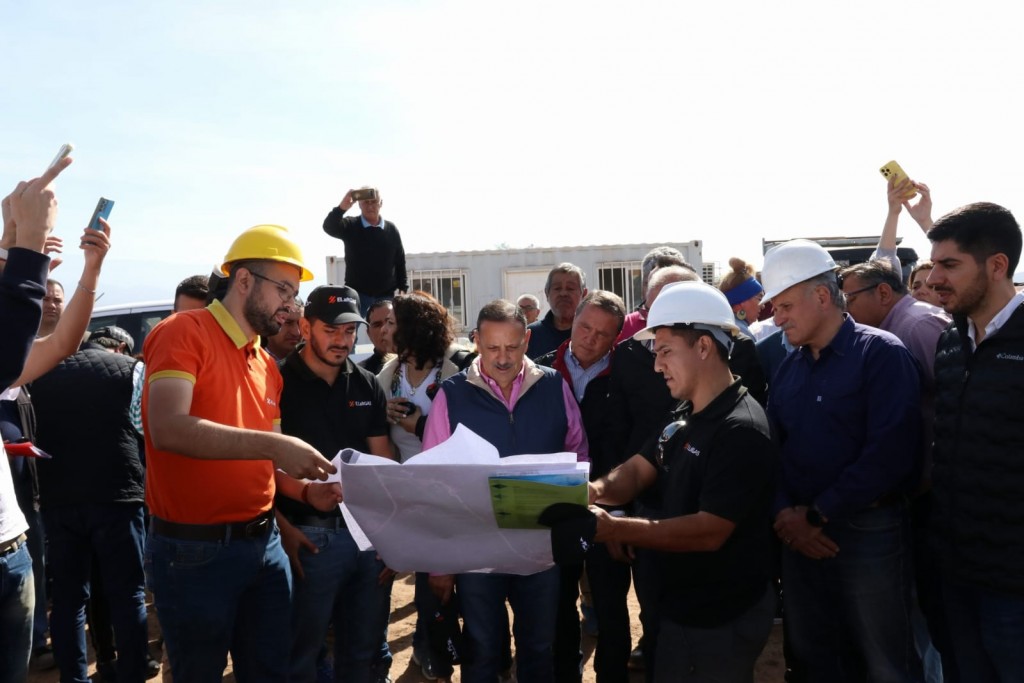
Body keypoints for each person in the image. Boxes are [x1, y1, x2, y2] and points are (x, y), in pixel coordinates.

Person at [142, 223, 335, 681]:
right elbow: (167, 427)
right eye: (283, 289)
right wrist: (275, 444)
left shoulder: (266, 363)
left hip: (265, 546)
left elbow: (269, 462)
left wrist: (307, 493)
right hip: (194, 552)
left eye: (294, 294)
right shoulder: (183, 331)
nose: (290, 305)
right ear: (244, 279)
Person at [582, 281, 777, 683]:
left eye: (665, 351)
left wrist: (614, 528)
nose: (657, 366)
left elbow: (709, 531)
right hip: (680, 605)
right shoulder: (686, 411)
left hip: (719, 616)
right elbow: (639, 468)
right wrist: (593, 491)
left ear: (703, 346)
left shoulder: (740, 428)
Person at [762, 239, 923, 682]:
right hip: (798, 535)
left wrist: (817, 514)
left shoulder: (882, 354)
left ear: (821, 295)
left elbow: (889, 454)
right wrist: (786, 515)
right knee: (813, 657)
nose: (778, 318)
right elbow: (773, 448)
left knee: (885, 662)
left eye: (785, 306)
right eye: (775, 308)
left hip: (868, 533)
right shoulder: (789, 367)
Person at [422, 299, 588, 683]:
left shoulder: (554, 386)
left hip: (540, 549)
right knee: (481, 650)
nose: (502, 358)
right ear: (476, 341)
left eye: (512, 347)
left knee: (539, 648)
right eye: (493, 347)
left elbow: (578, 453)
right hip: (477, 550)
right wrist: (441, 564)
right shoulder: (451, 395)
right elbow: (434, 480)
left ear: (527, 340)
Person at [275, 285, 395, 683]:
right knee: (300, 655)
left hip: (367, 539)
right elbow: (258, 465)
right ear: (305, 327)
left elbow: (383, 462)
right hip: (307, 539)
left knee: (362, 653)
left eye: (349, 331)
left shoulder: (367, 384)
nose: (342, 341)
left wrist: (389, 536)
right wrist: (282, 527)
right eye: (331, 330)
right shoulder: (275, 382)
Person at [926, 202, 1024, 682]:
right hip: (955, 573)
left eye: (949, 265)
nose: (933, 280)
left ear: (997, 265)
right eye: (933, 265)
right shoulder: (950, 341)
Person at [30, 326, 151, 682]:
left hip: (59, 501)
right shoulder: (132, 370)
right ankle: (133, 673)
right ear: (119, 347)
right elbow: (145, 428)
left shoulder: (41, 373)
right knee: (128, 594)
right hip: (118, 498)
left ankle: (74, 678)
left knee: (68, 600)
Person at [376, 291, 475, 679]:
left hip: (454, 492)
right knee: (426, 579)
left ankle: (481, 654)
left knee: (462, 581)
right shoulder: (387, 374)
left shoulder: (459, 367)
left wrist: (418, 424)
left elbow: (471, 431)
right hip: (408, 493)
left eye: (392, 323)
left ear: (413, 328)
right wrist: (383, 414)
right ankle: (432, 649)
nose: (384, 330)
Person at [0, 156, 70, 683]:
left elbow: (59, 343)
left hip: (12, 548)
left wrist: (14, 249)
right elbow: (6, 354)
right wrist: (25, 250)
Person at [536, 291, 626, 683]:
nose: (590, 338)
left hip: (610, 507)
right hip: (555, 507)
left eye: (602, 334)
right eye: (585, 326)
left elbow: (633, 444)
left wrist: (619, 509)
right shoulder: (539, 371)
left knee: (610, 604)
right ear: (573, 320)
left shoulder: (630, 375)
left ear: (616, 338)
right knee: (558, 603)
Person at [322, 187, 408, 316]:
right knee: (351, 327)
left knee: (386, 328)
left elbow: (399, 260)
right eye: (366, 202)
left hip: (385, 296)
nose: (370, 206)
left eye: (374, 201)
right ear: (359, 204)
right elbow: (329, 227)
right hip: (356, 295)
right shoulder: (351, 225)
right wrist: (342, 208)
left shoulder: (391, 229)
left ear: (381, 203)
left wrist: (403, 288)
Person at [616, 247, 692, 344]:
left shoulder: (699, 323)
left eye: (665, 285)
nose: (653, 291)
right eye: (648, 284)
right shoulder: (625, 326)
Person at [527, 263, 588, 359]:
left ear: (583, 294)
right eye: (557, 288)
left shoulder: (592, 335)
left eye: (570, 288)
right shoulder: (530, 335)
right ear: (547, 293)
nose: (563, 293)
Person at [718, 257, 765, 338]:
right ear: (741, 301)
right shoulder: (740, 333)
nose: (763, 305)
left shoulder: (720, 326)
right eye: (759, 298)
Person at [359, 299, 396, 375]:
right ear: (368, 333)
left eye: (390, 322)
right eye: (377, 325)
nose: (383, 329)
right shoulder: (360, 374)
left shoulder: (418, 364)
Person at [265, 297, 303, 361]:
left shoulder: (311, 364)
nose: (297, 332)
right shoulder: (250, 358)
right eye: (288, 322)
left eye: (301, 324)